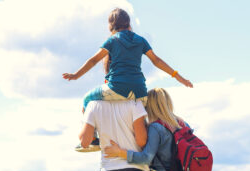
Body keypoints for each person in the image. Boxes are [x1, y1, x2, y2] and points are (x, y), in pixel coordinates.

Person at [63, 8, 193, 152]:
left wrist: (76, 75)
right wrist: (179, 77)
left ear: (111, 24)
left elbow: (94, 61)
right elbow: (156, 60)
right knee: (142, 130)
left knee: (87, 100)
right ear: (128, 23)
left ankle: (93, 139)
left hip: (116, 88)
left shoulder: (113, 40)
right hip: (140, 92)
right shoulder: (140, 40)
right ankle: (150, 153)